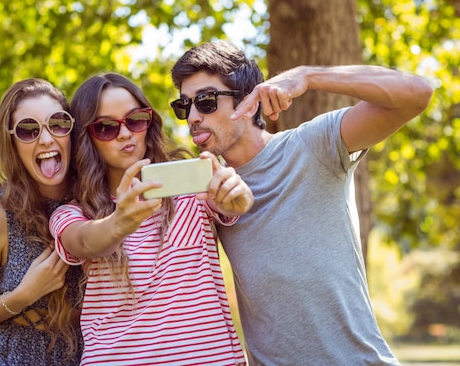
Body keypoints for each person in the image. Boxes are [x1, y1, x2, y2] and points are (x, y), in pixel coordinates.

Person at [169, 40, 433, 366]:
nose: (192, 117)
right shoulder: (210, 195)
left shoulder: (311, 145)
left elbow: (418, 93)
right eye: (184, 106)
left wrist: (308, 75)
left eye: (205, 101)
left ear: (248, 101)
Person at [49, 73, 252, 366]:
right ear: (86, 138)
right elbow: (83, 240)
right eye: (105, 127)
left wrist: (240, 198)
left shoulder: (191, 183)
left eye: (135, 120)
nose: (124, 134)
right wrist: (119, 222)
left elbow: (233, 204)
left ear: (149, 122)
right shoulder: (72, 212)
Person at [0, 78, 84, 366]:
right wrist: (24, 295)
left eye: (58, 123)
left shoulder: (95, 202)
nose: (46, 139)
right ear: (12, 142)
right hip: (7, 356)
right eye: (28, 130)